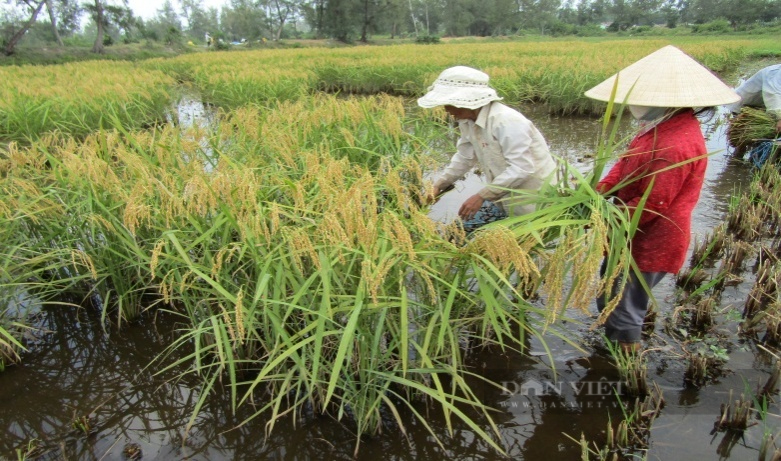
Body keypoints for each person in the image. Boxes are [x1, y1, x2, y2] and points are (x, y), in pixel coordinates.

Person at [584, 45, 740, 352]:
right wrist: (597, 193)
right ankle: (612, 349)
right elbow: (624, 167)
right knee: (612, 295)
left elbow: (653, 203)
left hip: (650, 239)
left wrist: (601, 219)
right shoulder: (659, 126)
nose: (636, 104)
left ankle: (626, 372)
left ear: (665, 100)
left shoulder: (674, 144)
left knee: (622, 308)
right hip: (629, 234)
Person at [418, 66, 557, 233]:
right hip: (500, 196)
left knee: (517, 250)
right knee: (457, 234)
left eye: (448, 103)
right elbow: (465, 157)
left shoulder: (507, 121)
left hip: (530, 201)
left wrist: (481, 196)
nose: (446, 110)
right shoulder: (467, 121)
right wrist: (439, 185)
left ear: (463, 101)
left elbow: (522, 168)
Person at [727, 64, 781, 132]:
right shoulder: (774, 73)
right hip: (745, 109)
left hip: (761, 108)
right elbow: (774, 96)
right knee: (754, 134)